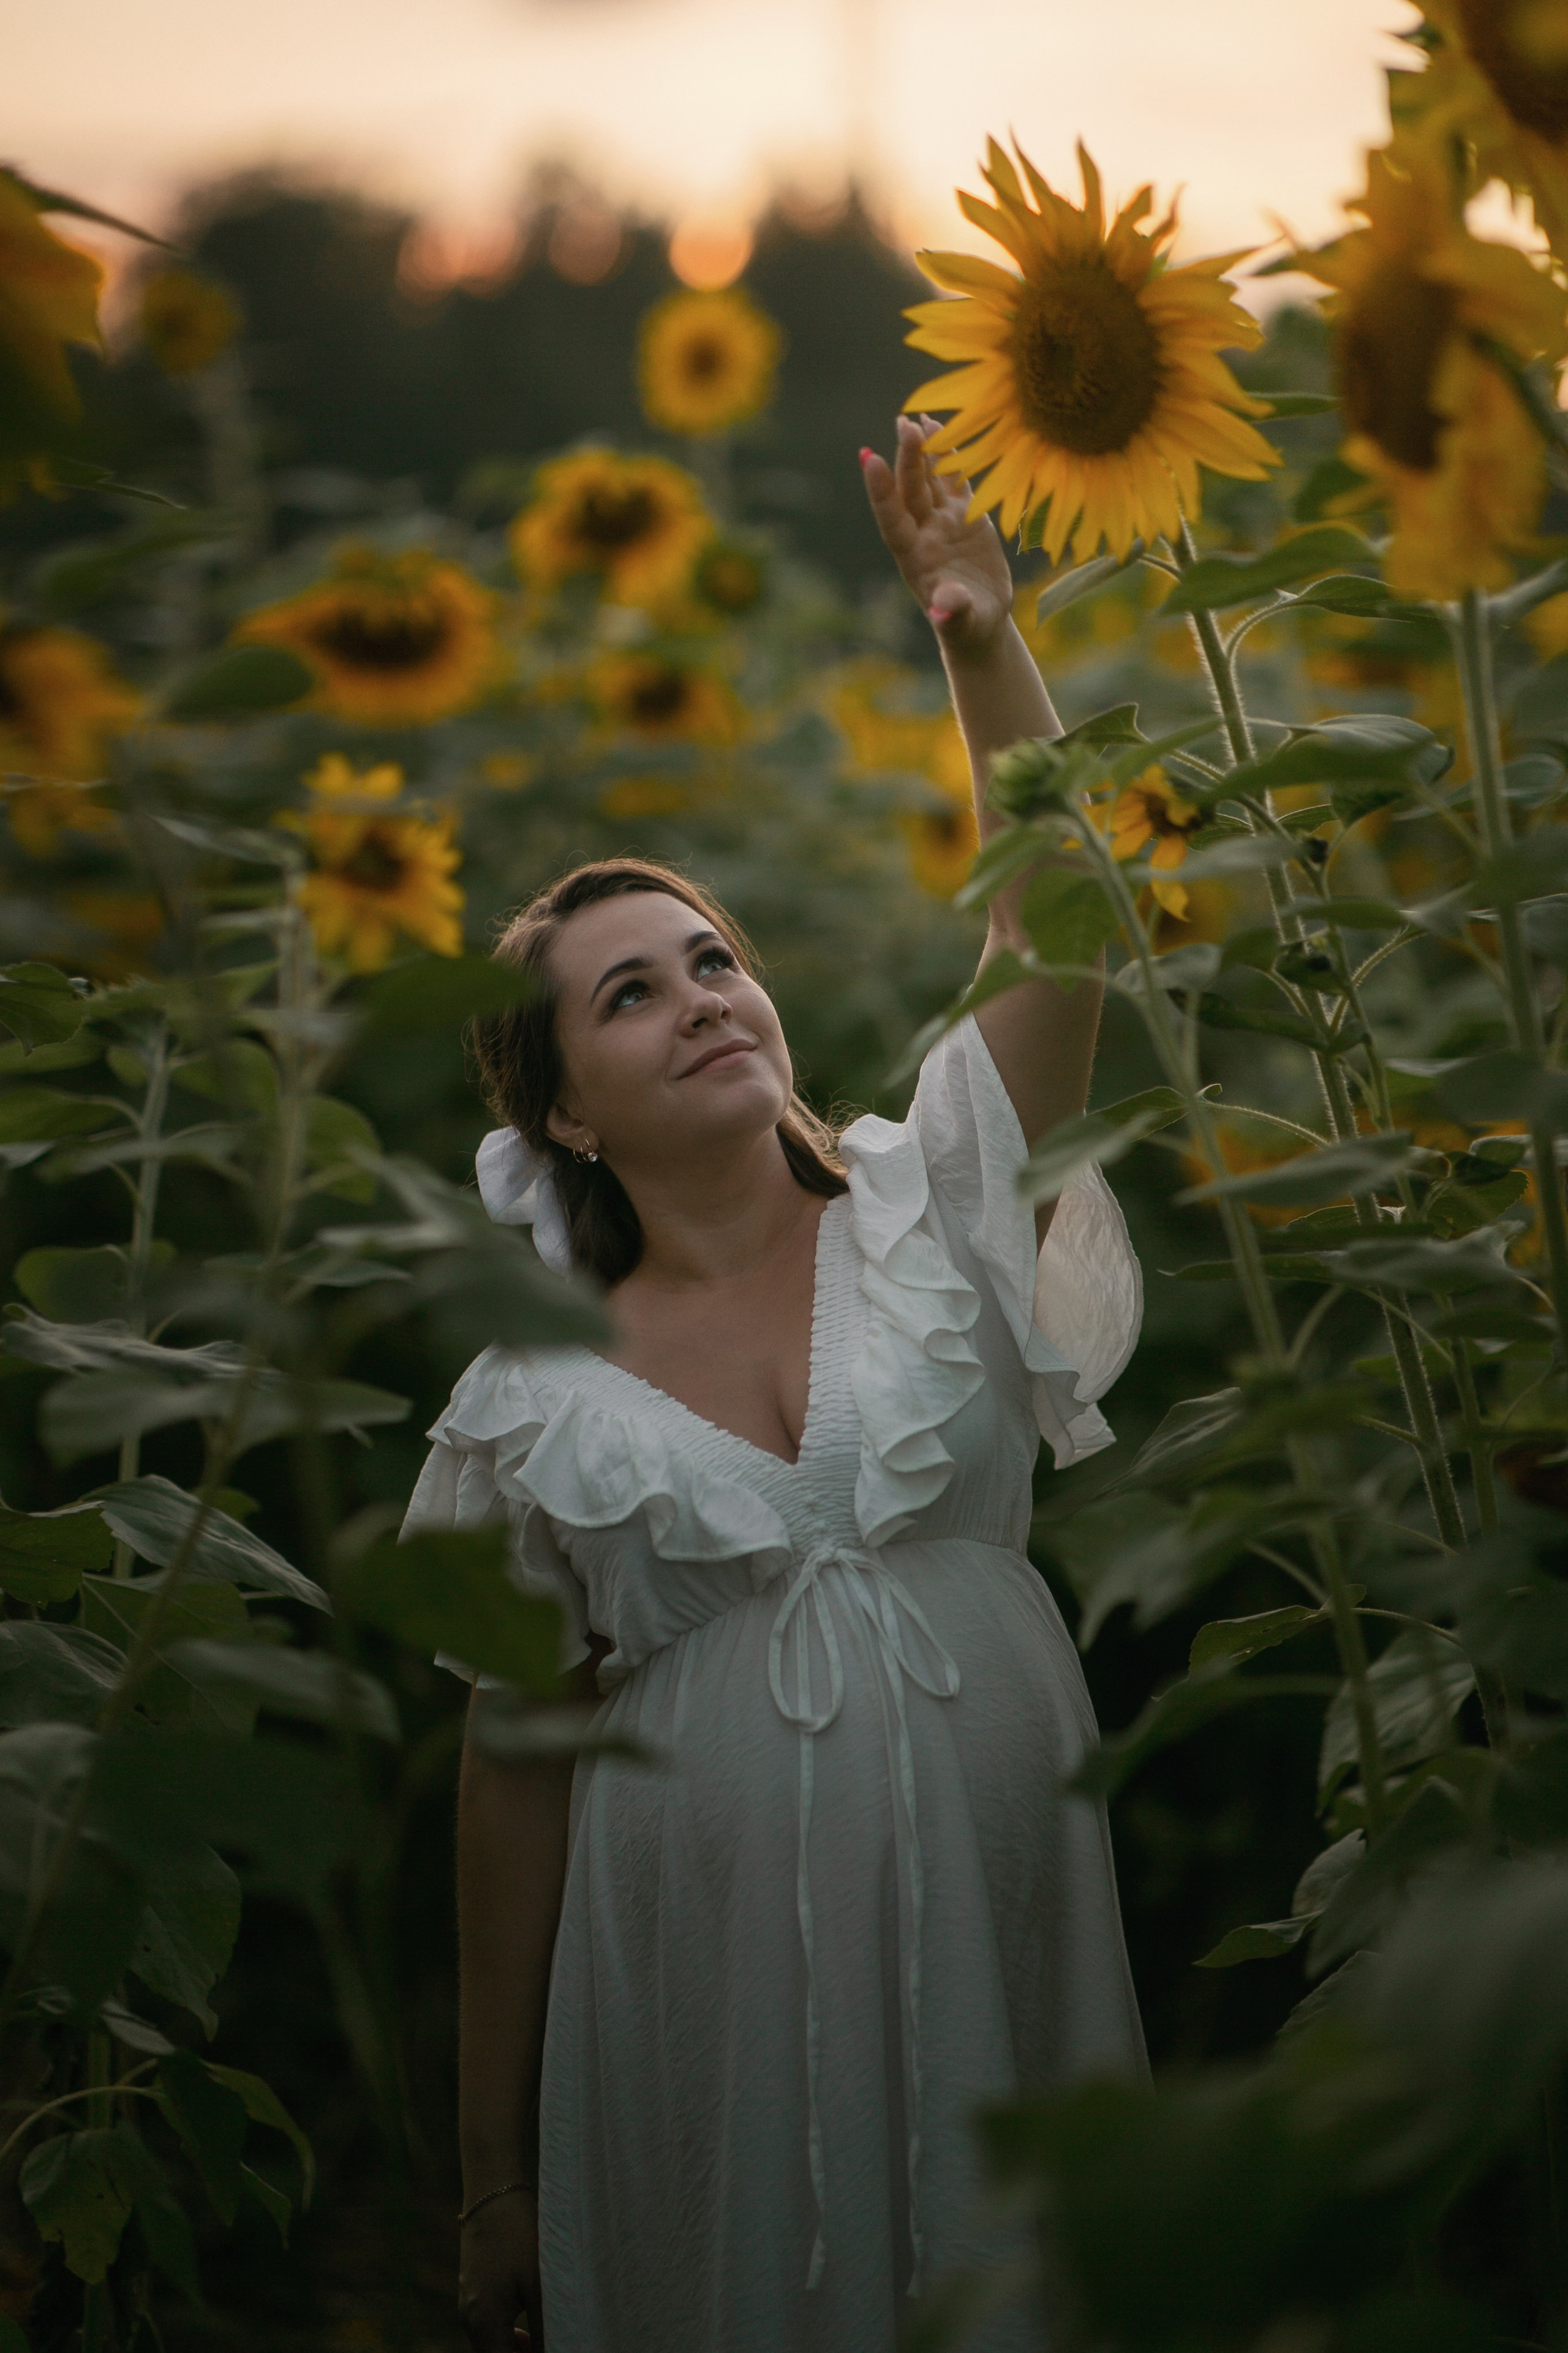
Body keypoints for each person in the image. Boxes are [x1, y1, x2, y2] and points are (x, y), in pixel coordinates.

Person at [403, 417, 1147, 2353]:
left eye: (712, 958)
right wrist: (491, 2172)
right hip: (697, 2002)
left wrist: (979, 634)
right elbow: (513, 1775)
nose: (702, 998)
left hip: (1001, 1925)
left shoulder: (935, 1203)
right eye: (630, 992)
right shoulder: (535, 1399)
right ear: (565, 1110)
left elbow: (1059, 924)